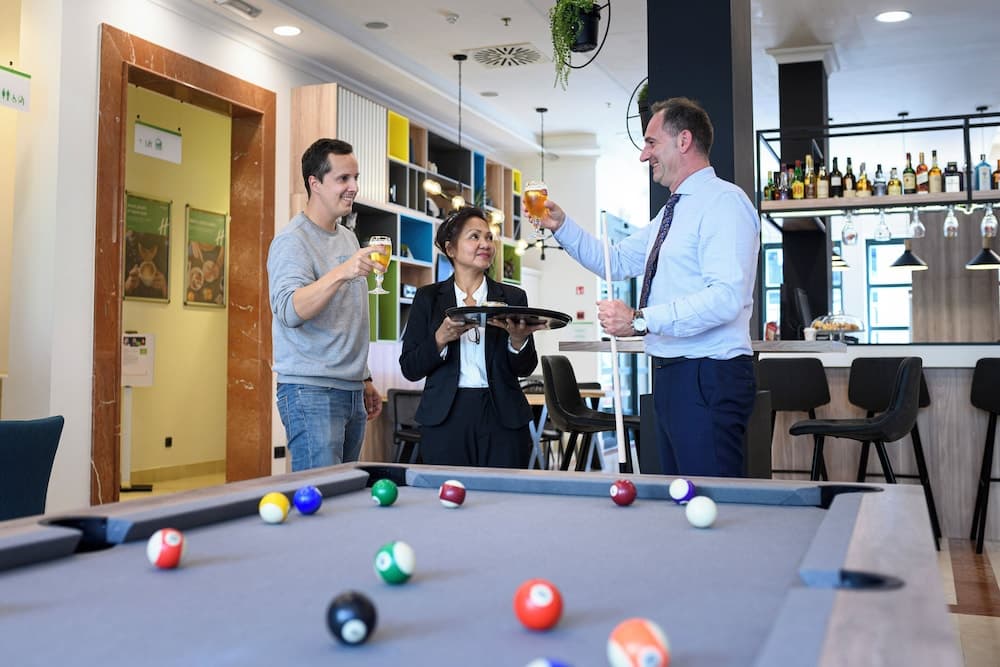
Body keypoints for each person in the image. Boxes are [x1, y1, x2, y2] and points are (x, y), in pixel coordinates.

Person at [538, 97, 759, 477]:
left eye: (651, 142)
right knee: (681, 496)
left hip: (707, 374)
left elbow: (726, 298)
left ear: (684, 140)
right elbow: (616, 261)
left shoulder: (724, 202)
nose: (644, 155)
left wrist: (639, 320)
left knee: (711, 498)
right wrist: (561, 226)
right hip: (673, 373)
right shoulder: (672, 213)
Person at [267, 138, 383, 471]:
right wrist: (343, 271)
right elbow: (289, 311)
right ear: (314, 183)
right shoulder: (292, 241)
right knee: (319, 493)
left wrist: (363, 378)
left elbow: (348, 314)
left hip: (351, 389)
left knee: (344, 491)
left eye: (355, 177)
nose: (354, 187)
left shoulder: (347, 237)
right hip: (311, 392)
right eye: (343, 178)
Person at [399, 207, 546, 468]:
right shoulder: (428, 298)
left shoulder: (513, 297)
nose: (485, 244)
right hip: (445, 416)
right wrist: (440, 339)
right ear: (451, 249)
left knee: (504, 491)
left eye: (489, 237)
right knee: (449, 490)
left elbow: (525, 368)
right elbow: (410, 368)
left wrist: (517, 341)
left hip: (503, 415)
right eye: (474, 237)